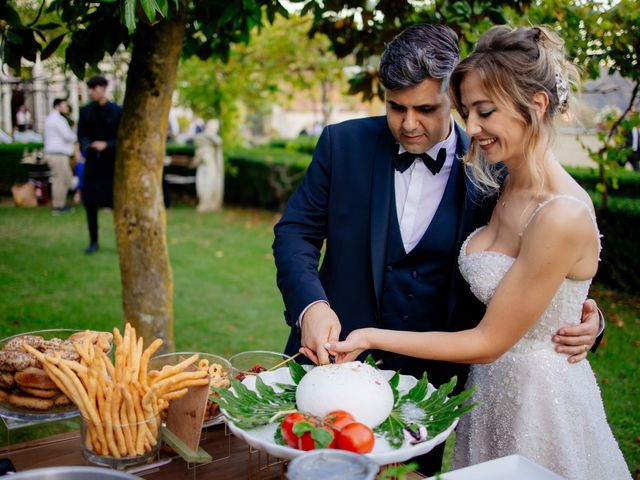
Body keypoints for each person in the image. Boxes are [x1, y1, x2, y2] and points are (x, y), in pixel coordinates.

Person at [272, 24, 602, 476]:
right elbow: (294, 233)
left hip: (431, 390)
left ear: (454, 99)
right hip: (327, 368)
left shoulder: (500, 164)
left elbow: (553, 262)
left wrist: (587, 320)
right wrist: (311, 306)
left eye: (426, 109)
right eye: (396, 107)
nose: (409, 124)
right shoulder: (341, 144)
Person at [78, 74, 122, 254]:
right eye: (89, 88)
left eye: (94, 88)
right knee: (90, 203)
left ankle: (121, 241)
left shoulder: (117, 111)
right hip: (92, 164)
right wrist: (88, 145)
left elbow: (122, 139)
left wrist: (107, 145)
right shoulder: (85, 111)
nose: (91, 92)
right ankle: (93, 241)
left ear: (103, 88)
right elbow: (81, 135)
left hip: (111, 166)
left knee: (116, 205)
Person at [43, 98, 77, 214]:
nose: (66, 108)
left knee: (65, 178)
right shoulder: (57, 119)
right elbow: (68, 136)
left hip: (58, 154)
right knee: (59, 180)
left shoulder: (53, 118)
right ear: (58, 106)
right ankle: (58, 206)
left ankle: (60, 204)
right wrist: (75, 136)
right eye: (65, 106)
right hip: (57, 154)